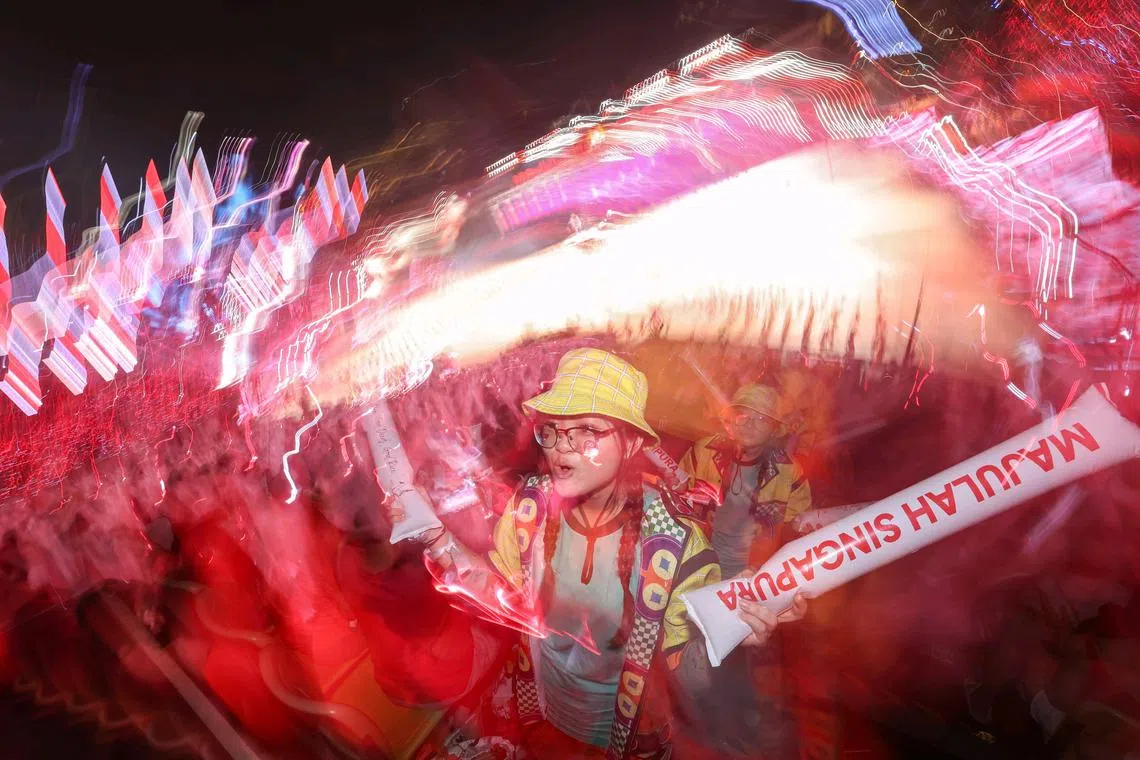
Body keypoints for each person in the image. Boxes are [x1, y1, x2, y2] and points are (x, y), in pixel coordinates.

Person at [391, 348, 806, 759]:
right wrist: (434, 536)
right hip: (544, 709)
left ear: (630, 445)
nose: (561, 447)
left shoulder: (676, 544)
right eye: (553, 429)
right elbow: (501, 590)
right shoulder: (529, 508)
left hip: (624, 732)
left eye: (588, 429)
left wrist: (731, 634)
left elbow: (686, 674)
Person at [675, 383, 815, 758]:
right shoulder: (705, 451)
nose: (750, 424)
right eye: (743, 414)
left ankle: (741, 728)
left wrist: (785, 580)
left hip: (752, 578)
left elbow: (797, 525)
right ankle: (704, 724)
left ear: (773, 429)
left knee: (745, 655)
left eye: (761, 419)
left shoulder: (787, 470)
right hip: (700, 569)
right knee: (700, 648)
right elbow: (677, 498)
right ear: (730, 418)